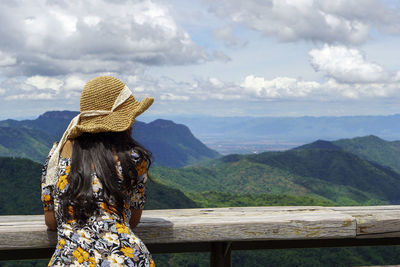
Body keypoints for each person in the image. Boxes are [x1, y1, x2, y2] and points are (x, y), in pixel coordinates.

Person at [41, 76, 155, 266]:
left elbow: (51, 222)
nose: (133, 122)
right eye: (130, 117)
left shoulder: (57, 154)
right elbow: (132, 220)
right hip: (128, 259)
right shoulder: (134, 158)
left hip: (71, 261)